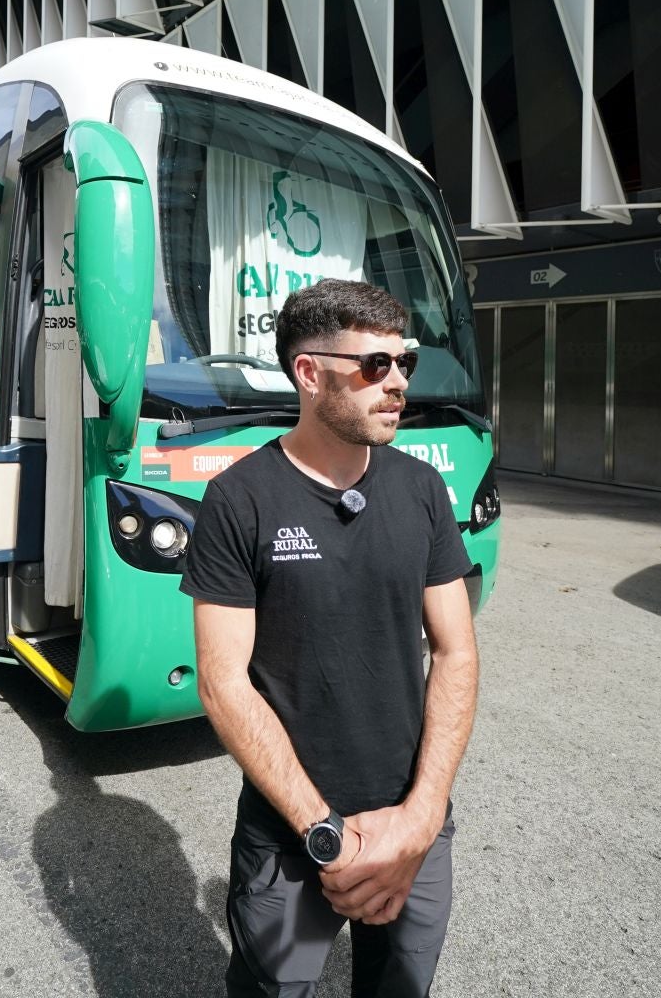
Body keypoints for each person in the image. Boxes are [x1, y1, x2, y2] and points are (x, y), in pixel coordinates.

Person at [182, 279, 479, 997]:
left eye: (403, 362)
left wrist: (419, 817)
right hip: (290, 836)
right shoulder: (239, 499)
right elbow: (224, 684)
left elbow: (456, 652)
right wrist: (326, 833)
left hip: (417, 821)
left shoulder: (420, 490)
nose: (399, 382)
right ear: (308, 373)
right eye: (374, 365)